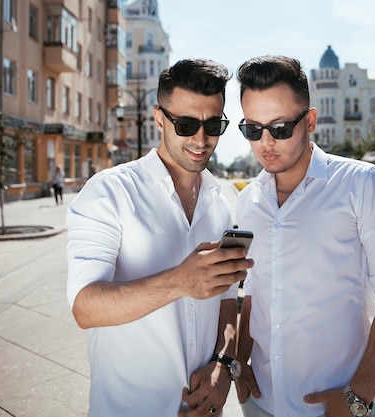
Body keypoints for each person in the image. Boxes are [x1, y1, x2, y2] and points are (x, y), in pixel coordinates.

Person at [66, 59, 253, 417]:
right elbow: (85, 307)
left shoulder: (219, 202)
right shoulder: (109, 192)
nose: (201, 139)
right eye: (185, 124)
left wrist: (222, 365)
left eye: (213, 124)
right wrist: (179, 282)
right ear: (158, 118)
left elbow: (228, 296)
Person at [233, 55, 375, 417]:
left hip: (338, 408)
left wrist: (358, 397)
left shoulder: (363, 184)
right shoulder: (247, 201)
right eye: (253, 129)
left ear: (310, 121)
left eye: (281, 128)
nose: (265, 142)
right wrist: (239, 363)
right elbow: (254, 288)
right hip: (259, 403)